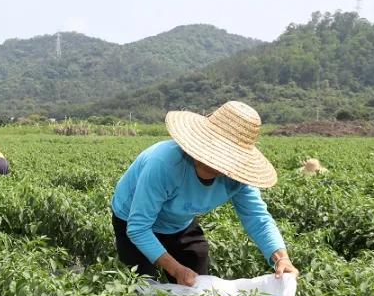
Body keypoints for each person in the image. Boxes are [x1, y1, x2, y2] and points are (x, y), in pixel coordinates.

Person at [110, 101, 297, 286]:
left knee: (197, 284)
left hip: (178, 222)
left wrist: (281, 258)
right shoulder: (165, 164)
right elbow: (138, 227)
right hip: (132, 219)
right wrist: (176, 269)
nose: (215, 162)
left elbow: (257, 218)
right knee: (142, 285)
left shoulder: (236, 178)